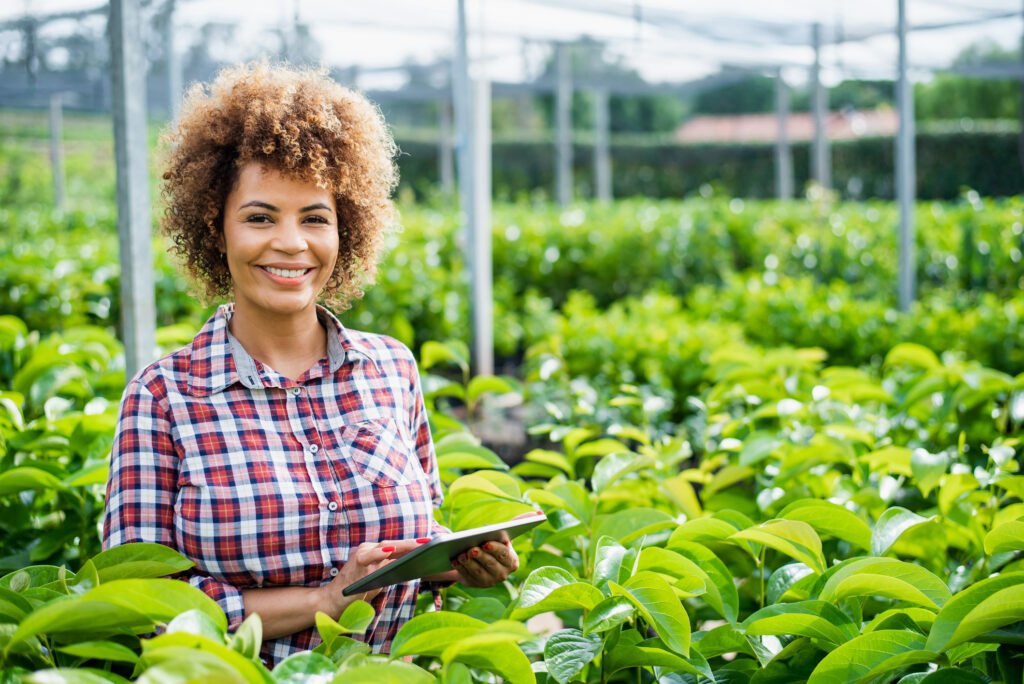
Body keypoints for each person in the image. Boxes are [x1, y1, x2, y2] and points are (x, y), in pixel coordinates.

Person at [102, 62, 518, 667]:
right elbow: (140, 603)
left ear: (346, 228)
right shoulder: (164, 398)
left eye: (315, 218)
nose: (292, 242)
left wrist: (458, 563)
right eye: (260, 217)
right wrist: (326, 600)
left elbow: (417, 542)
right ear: (215, 228)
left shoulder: (390, 369)